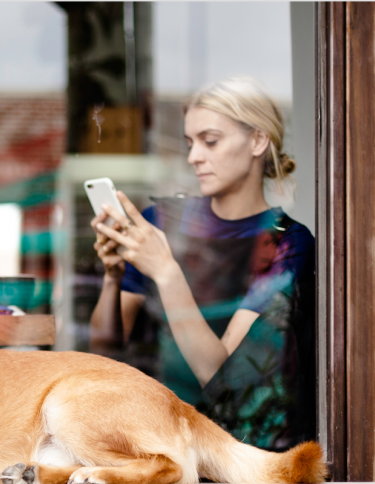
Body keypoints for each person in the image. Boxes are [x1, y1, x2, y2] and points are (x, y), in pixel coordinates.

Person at [88, 77, 315, 450]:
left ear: (258, 141)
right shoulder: (161, 222)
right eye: (190, 143)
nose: (194, 156)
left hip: (243, 449)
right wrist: (113, 277)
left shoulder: (287, 244)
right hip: (158, 439)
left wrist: (165, 271)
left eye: (210, 141)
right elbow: (104, 350)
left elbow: (222, 377)